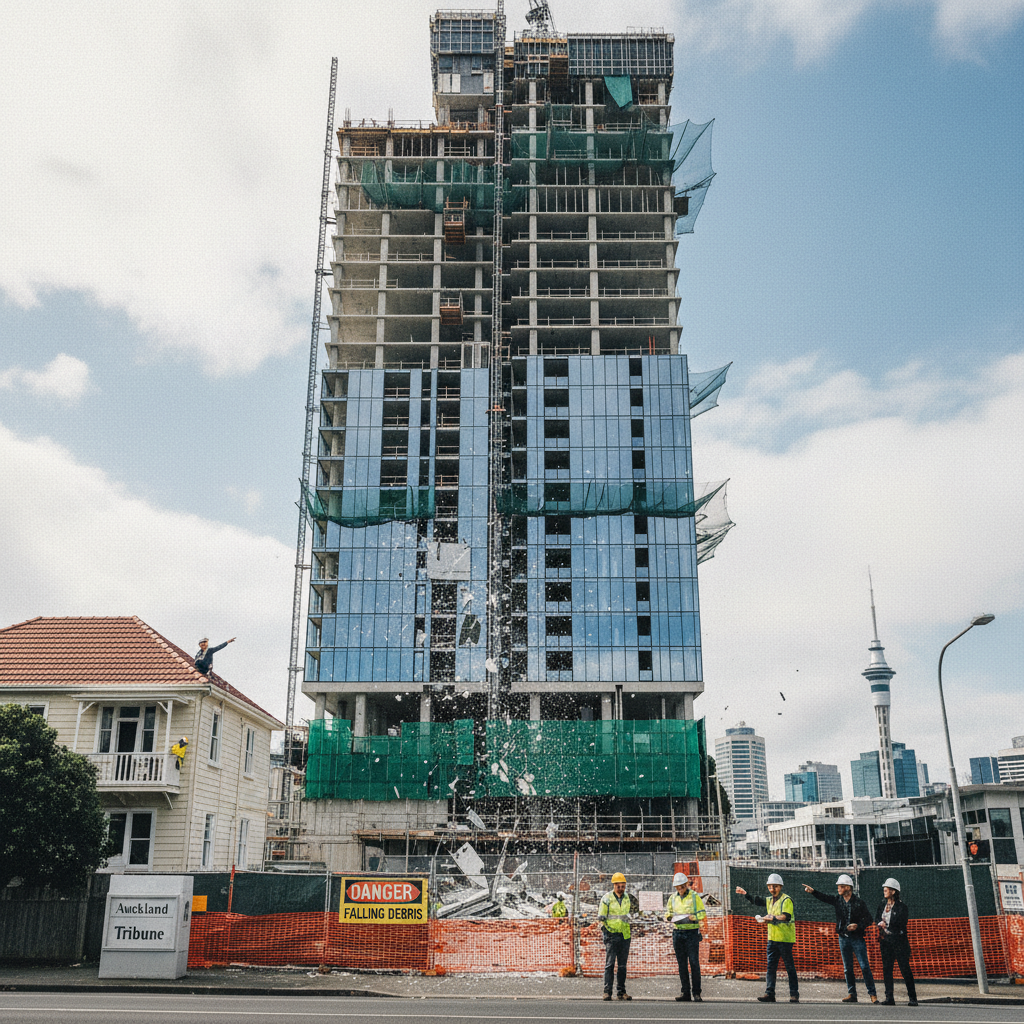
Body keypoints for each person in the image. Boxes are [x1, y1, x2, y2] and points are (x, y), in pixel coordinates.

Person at [804, 874, 878, 1003]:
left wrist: (858, 926)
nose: (839, 888)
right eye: (838, 886)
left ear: (849, 888)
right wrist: (813, 892)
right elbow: (825, 898)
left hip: (857, 938)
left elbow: (869, 919)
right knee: (847, 968)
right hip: (843, 938)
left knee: (864, 966)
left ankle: (872, 994)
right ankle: (852, 994)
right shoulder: (838, 900)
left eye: (842, 886)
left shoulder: (859, 903)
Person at [735, 873, 799, 1004]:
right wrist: (745, 894)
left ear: (780, 886)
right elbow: (757, 900)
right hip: (772, 939)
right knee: (771, 967)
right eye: (770, 886)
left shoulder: (786, 900)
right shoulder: (770, 900)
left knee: (789, 967)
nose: (772, 889)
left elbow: (786, 916)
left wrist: (773, 918)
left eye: (774, 886)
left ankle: (794, 994)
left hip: (785, 939)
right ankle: (769, 993)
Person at [875, 877, 917, 1006]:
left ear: (893, 891)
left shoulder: (902, 907)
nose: (884, 891)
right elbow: (877, 916)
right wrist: (879, 923)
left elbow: (901, 923)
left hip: (899, 942)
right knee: (887, 969)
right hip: (886, 941)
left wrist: (886, 925)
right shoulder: (882, 904)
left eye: (886, 889)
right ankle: (889, 997)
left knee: (904, 968)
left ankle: (913, 997)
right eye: (884, 889)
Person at [665, 871, 707, 1002]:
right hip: (678, 933)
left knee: (694, 963)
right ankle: (685, 992)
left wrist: (694, 917)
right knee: (682, 964)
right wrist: (669, 917)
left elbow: (702, 914)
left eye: (682, 887)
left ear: (686, 885)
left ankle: (696, 992)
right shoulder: (673, 898)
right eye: (678, 887)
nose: (680, 889)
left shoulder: (695, 897)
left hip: (691, 933)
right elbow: (668, 913)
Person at [598, 871, 632, 1001]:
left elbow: (629, 914)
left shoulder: (627, 898)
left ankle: (621, 992)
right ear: (614, 885)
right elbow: (602, 916)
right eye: (619, 886)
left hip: (624, 934)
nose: (621, 888)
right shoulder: (607, 898)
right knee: (610, 964)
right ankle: (607, 992)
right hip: (611, 934)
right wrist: (605, 930)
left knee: (622, 965)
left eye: (623, 885)